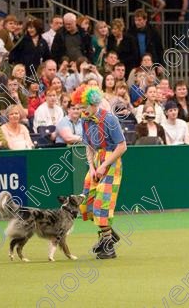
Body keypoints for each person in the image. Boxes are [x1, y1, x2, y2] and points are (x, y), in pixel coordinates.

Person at [72, 85, 126, 259]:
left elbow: (122, 146)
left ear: (93, 103)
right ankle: (108, 234)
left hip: (111, 162)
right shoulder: (85, 119)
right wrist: (93, 167)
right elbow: (88, 146)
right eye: (78, 108)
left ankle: (108, 246)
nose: (81, 111)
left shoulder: (109, 119)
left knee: (101, 203)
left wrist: (104, 166)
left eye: (83, 107)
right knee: (85, 202)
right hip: (96, 161)